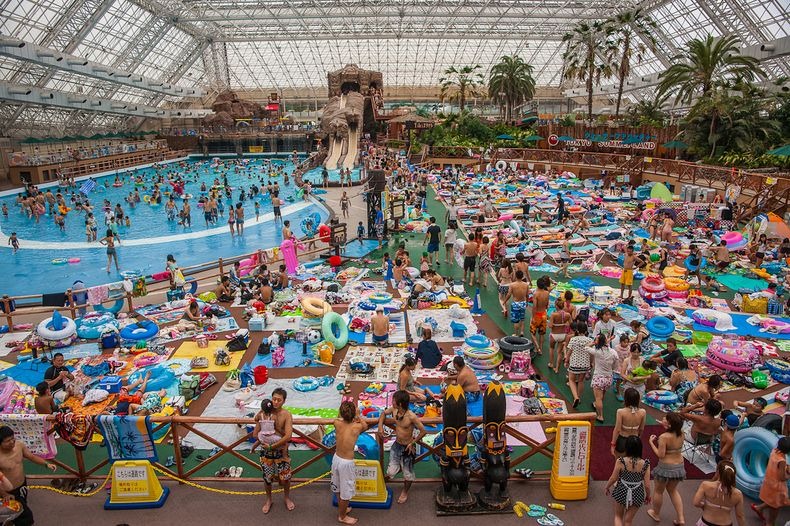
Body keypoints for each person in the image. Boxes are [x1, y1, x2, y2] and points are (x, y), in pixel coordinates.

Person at [0, 426, 57, 525]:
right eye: (8, 441)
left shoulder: (19, 446)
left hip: (22, 486)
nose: (12, 442)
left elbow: (31, 456)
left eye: (13, 439)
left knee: (19, 510)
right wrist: (4, 494)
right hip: (7, 492)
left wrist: (46, 464)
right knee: (25, 517)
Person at [377, 390, 426, 504]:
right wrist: (380, 427)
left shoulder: (411, 416)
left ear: (400, 404)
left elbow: (423, 431)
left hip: (408, 448)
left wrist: (413, 442)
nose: (392, 402)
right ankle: (401, 467)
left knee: (408, 475)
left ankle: (405, 491)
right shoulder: (394, 410)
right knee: (390, 472)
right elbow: (383, 413)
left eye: (394, 400)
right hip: (396, 445)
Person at [250, 388, 294, 513]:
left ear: (284, 401)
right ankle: (269, 499)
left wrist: (272, 446)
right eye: (274, 399)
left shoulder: (286, 414)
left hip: (280, 452)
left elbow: (288, 435)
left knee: (285, 478)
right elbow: (257, 430)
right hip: (266, 453)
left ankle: (286, 497)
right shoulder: (265, 411)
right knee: (267, 478)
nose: (275, 402)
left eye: (279, 400)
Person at [332, 401, 368, 524]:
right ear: (353, 414)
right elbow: (365, 426)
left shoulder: (336, 423)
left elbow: (338, 416)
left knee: (337, 486)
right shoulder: (357, 426)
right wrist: (358, 415)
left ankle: (343, 509)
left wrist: (349, 414)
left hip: (336, 458)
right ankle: (342, 517)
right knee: (346, 492)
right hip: (346, 462)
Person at [647, 412, 686, 525]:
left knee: (659, 491)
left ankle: (656, 513)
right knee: (673, 491)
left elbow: (661, 455)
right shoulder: (681, 433)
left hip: (665, 467)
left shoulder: (664, 437)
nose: (663, 419)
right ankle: (681, 518)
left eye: (665, 419)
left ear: (669, 425)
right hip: (679, 465)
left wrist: (651, 443)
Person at [605, 435, 651, 526]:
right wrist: (648, 496)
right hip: (637, 493)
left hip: (622, 490)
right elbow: (647, 485)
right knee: (628, 520)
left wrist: (607, 487)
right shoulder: (645, 464)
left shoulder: (621, 461)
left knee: (618, 516)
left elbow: (613, 478)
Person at [751, 436, 790, 525]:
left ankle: (759, 508)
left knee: (772, 501)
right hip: (777, 487)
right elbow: (781, 477)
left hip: (769, 482)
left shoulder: (774, 451)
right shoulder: (782, 460)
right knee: (775, 508)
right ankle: (769, 523)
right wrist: (788, 474)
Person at [693, 460, 745, 526]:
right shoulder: (738, 494)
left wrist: (704, 506)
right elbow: (740, 515)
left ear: (718, 472)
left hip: (706, 522)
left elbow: (696, 503)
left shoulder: (705, 485)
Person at [587, 333, 619, 422]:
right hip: (608, 377)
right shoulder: (613, 352)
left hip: (598, 377)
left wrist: (593, 343)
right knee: (602, 395)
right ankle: (596, 404)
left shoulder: (597, 352)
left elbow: (586, 347)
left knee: (598, 398)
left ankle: (600, 416)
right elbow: (615, 366)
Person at [565, 321, 593, 409]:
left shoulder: (574, 339)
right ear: (585, 331)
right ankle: (579, 397)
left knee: (571, 380)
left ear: (577, 330)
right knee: (581, 381)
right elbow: (591, 353)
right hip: (585, 363)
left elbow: (569, 352)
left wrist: (566, 360)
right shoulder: (590, 340)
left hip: (574, 362)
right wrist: (591, 363)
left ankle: (575, 397)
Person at [611, 388, 646, 457]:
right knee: (633, 462)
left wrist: (613, 444)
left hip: (623, 440)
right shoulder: (643, 412)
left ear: (626, 399)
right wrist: (638, 438)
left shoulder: (620, 412)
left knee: (620, 462)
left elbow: (617, 430)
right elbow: (641, 429)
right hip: (635, 440)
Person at [503, 270, 529, 338]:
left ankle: (516, 333)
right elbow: (527, 295)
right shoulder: (526, 285)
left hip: (515, 304)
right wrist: (527, 302)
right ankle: (522, 331)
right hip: (523, 303)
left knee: (516, 320)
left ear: (516, 276)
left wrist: (505, 301)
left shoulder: (512, 285)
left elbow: (509, 294)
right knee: (522, 319)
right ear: (522, 276)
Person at [549, 298, 570, 373]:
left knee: (551, 348)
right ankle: (557, 368)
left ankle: (551, 363)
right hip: (563, 335)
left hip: (554, 334)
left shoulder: (554, 314)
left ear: (556, 306)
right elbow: (570, 324)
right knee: (559, 352)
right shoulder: (567, 315)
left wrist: (551, 322)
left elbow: (550, 326)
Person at [530, 276, 550, 355]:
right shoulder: (547, 293)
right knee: (541, 333)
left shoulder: (536, 294)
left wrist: (533, 317)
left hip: (537, 314)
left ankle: (537, 347)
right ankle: (541, 348)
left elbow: (534, 306)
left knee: (532, 332)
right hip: (544, 314)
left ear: (537, 285)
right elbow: (547, 304)